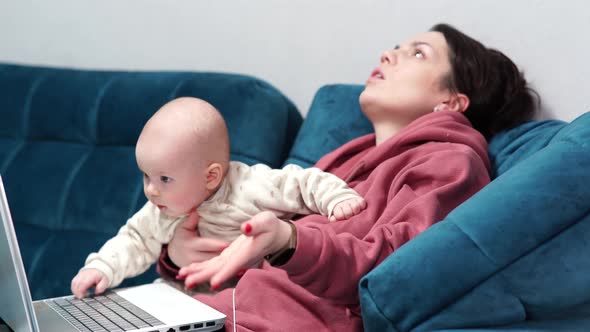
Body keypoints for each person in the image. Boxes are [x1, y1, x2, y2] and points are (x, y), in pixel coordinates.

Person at [156, 23, 539, 331]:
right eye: (397, 47)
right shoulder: (347, 157)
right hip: (208, 313)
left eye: (418, 53)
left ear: (451, 102)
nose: (388, 54)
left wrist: (288, 241)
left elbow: (398, 272)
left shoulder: (451, 161)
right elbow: (261, 247)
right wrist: (183, 257)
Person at [70, 97, 367, 299]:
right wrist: (101, 268)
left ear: (211, 176)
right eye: (146, 176)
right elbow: (134, 239)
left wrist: (336, 198)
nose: (150, 190)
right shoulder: (164, 208)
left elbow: (304, 182)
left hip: (242, 301)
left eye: (164, 179)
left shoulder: (253, 186)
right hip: (180, 298)